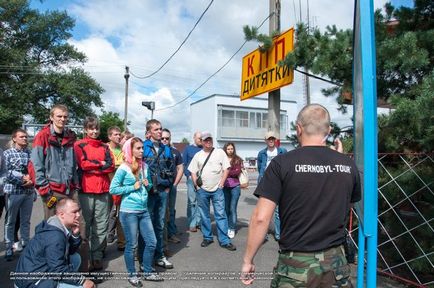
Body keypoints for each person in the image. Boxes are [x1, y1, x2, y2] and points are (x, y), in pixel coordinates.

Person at [241, 104, 361, 287]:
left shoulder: (282, 163)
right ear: (328, 130)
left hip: (295, 265)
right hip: (336, 264)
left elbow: (261, 218)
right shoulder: (347, 165)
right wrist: (338, 162)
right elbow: (348, 205)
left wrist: (248, 260)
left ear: (298, 128)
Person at [31, 104, 89, 271]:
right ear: (51, 117)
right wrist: (46, 192)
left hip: (71, 190)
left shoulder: (71, 137)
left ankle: (83, 272)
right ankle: (55, 272)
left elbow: (73, 164)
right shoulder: (41, 137)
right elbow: (36, 166)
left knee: (80, 228)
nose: (63, 119)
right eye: (59, 116)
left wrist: (76, 185)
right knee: (54, 232)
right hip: (53, 192)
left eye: (65, 116)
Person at [110, 137, 163, 287]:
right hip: (129, 212)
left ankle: (147, 272)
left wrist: (147, 184)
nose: (141, 151)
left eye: (142, 148)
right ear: (130, 150)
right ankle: (132, 275)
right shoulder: (123, 168)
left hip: (143, 210)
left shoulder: (144, 166)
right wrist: (132, 187)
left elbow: (147, 186)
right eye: (138, 148)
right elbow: (113, 189)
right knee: (132, 245)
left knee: (151, 242)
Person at [15, 198, 95, 288]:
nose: (78, 215)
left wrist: (75, 235)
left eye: (78, 211)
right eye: (74, 212)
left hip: (36, 273)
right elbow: (57, 269)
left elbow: (68, 252)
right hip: (31, 282)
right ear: (62, 214)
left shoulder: (55, 223)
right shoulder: (55, 236)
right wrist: (82, 280)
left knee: (75, 258)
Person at [74, 116, 115, 271]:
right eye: (91, 128)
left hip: (103, 190)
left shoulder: (105, 147)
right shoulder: (79, 145)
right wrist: (100, 165)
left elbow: (110, 166)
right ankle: (86, 257)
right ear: (85, 129)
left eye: (96, 128)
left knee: (101, 223)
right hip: (85, 190)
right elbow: (83, 165)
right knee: (86, 225)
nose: (94, 131)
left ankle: (97, 255)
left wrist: (94, 166)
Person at [188, 131, 236, 251]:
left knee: (220, 214)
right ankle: (207, 237)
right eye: (205, 140)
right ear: (202, 142)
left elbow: (226, 168)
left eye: (209, 139)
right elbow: (192, 171)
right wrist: (196, 186)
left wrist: (222, 183)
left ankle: (224, 240)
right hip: (202, 190)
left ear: (212, 140)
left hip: (217, 190)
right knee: (204, 215)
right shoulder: (198, 155)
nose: (208, 141)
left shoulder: (220, 152)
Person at [142, 119, 175, 269]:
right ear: (149, 133)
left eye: (160, 129)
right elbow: (136, 167)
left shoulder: (166, 149)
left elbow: (171, 168)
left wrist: (168, 186)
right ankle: (143, 258)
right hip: (148, 192)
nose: (159, 132)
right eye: (156, 129)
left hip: (162, 191)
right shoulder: (142, 147)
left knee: (160, 225)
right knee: (145, 225)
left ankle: (159, 255)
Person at [3, 129, 35, 261]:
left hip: (28, 192)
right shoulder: (7, 154)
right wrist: (21, 181)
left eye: (26, 137)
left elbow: (34, 170)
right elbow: (5, 172)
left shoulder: (30, 153)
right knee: (10, 221)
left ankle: (25, 245)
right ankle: (9, 247)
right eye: (22, 137)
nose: (25, 139)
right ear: (14, 138)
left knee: (26, 220)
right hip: (13, 191)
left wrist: (31, 181)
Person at [257, 130, 287, 241]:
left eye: (273, 139)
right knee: (264, 211)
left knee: (278, 211)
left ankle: (278, 235)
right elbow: (260, 167)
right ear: (265, 140)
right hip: (266, 182)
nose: (271, 141)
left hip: (279, 182)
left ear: (275, 140)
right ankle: (263, 234)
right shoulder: (261, 153)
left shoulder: (282, 151)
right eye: (269, 139)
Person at [161, 128, 184, 246]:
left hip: (171, 187)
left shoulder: (175, 152)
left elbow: (181, 168)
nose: (165, 140)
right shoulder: (157, 151)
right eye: (162, 138)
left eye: (167, 138)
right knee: (161, 212)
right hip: (160, 187)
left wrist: (175, 183)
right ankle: (162, 236)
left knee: (170, 211)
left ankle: (171, 233)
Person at [106, 126, 126, 251]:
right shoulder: (105, 149)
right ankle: (105, 240)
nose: (118, 137)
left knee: (121, 213)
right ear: (109, 136)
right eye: (116, 134)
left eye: (119, 135)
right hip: (107, 184)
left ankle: (122, 242)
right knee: (108, 214)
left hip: (121, 184)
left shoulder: (123, 150)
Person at [183, 131, 202, 232]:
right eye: (199, 138)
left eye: (202, 138)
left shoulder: (204, 149)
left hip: (202, 180)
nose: (201, 140)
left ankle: (199, 221)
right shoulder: (188, 149)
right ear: (194, 138)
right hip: (191, 179)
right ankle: (192, 223)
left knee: (201, 201)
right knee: (192, 201)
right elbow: (184, 163)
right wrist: (188, 175)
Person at [222, 142, 243, 239]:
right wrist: (230, 171)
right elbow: (220, 170)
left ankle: (232, 228)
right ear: (225, 149)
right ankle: (226, 226)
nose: (230, 150)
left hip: (235, 186)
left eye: (232, 148)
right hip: (224, 186)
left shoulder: (237, 159)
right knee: (226, 208)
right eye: (228, 149)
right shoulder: (222, 158)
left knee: (232, 208)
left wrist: (226, 171)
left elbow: (237, 172)